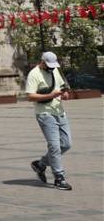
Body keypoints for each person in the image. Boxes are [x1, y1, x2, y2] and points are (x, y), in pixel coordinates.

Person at [27, 51, 74, 190]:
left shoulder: (55, 71)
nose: (52, 68)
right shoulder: (34, 74)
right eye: (49, 65)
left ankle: (40, 164)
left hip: (59, 112)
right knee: (54, 146)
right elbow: (30, 96)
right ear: (42, 62)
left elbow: (61, 87)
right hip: (45, 114)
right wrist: (50, 95)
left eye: (53, 65)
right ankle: (59, 178)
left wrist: (64, 94)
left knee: (66, 144)